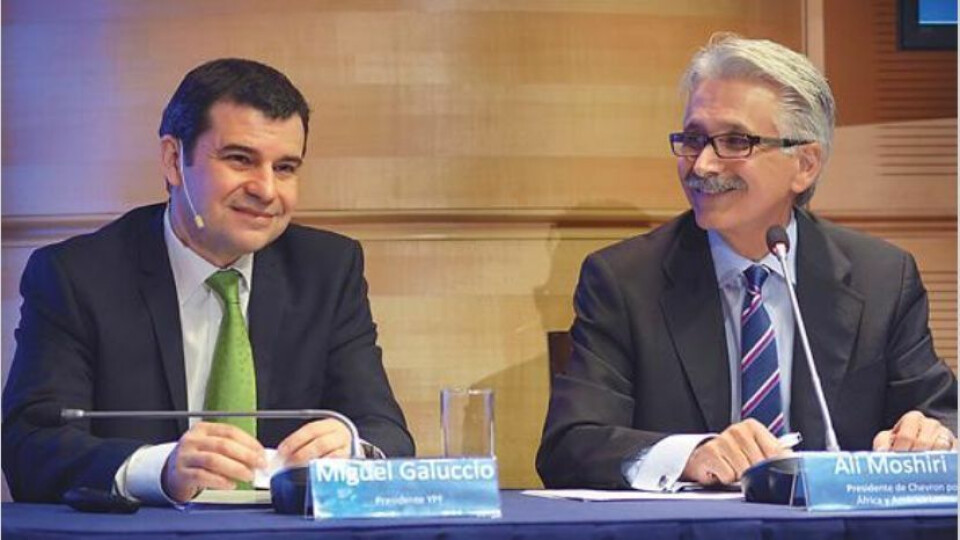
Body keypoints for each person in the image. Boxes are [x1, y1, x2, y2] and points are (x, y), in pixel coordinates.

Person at [536, 34, 958, 490]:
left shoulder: (881, 279)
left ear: (805, 164)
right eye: (693, 140)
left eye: (735, 141)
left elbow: (941, 415)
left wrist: (932, 435)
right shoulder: (625, 281)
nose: (702, 166)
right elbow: (570, 445)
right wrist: (690, 455)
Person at [2, 58, 415, 504]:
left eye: (285, 168)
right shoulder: (76, 276)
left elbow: (385, 432)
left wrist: (353, 448)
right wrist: (159, 469)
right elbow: (30, 447)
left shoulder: (327, 271)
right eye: (240, 159)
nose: (266, 190)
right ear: (174, 161)